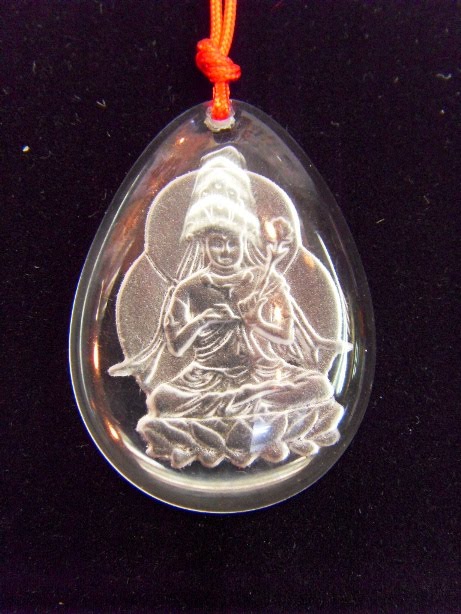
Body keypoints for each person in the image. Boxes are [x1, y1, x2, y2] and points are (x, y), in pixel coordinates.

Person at [110, 146, 346, 468]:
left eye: (232, 242)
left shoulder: (267, 280)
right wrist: (203, 320)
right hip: (204, 380)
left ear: (246, 241)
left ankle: (223, 430)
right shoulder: (188, 289)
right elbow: (176, 346)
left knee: (317, 386)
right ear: (202, 243)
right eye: (216, 243)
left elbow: (285, 334)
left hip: (263, 376)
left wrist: (255, 322)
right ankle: (252, 428)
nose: (225, 250)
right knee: (163, 400)